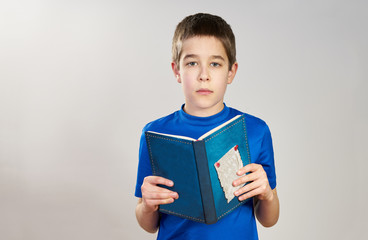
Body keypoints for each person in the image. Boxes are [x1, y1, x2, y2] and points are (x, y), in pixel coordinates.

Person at [135, 13, 279, 240]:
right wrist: (146, 206)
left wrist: (267, 196)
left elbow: (269, 219)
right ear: (176, 71)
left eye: (215, 63)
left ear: (231, 72)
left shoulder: (255, 130)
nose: (204, 75)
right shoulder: (155, 134)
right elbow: (149, 224)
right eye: (192, 63)